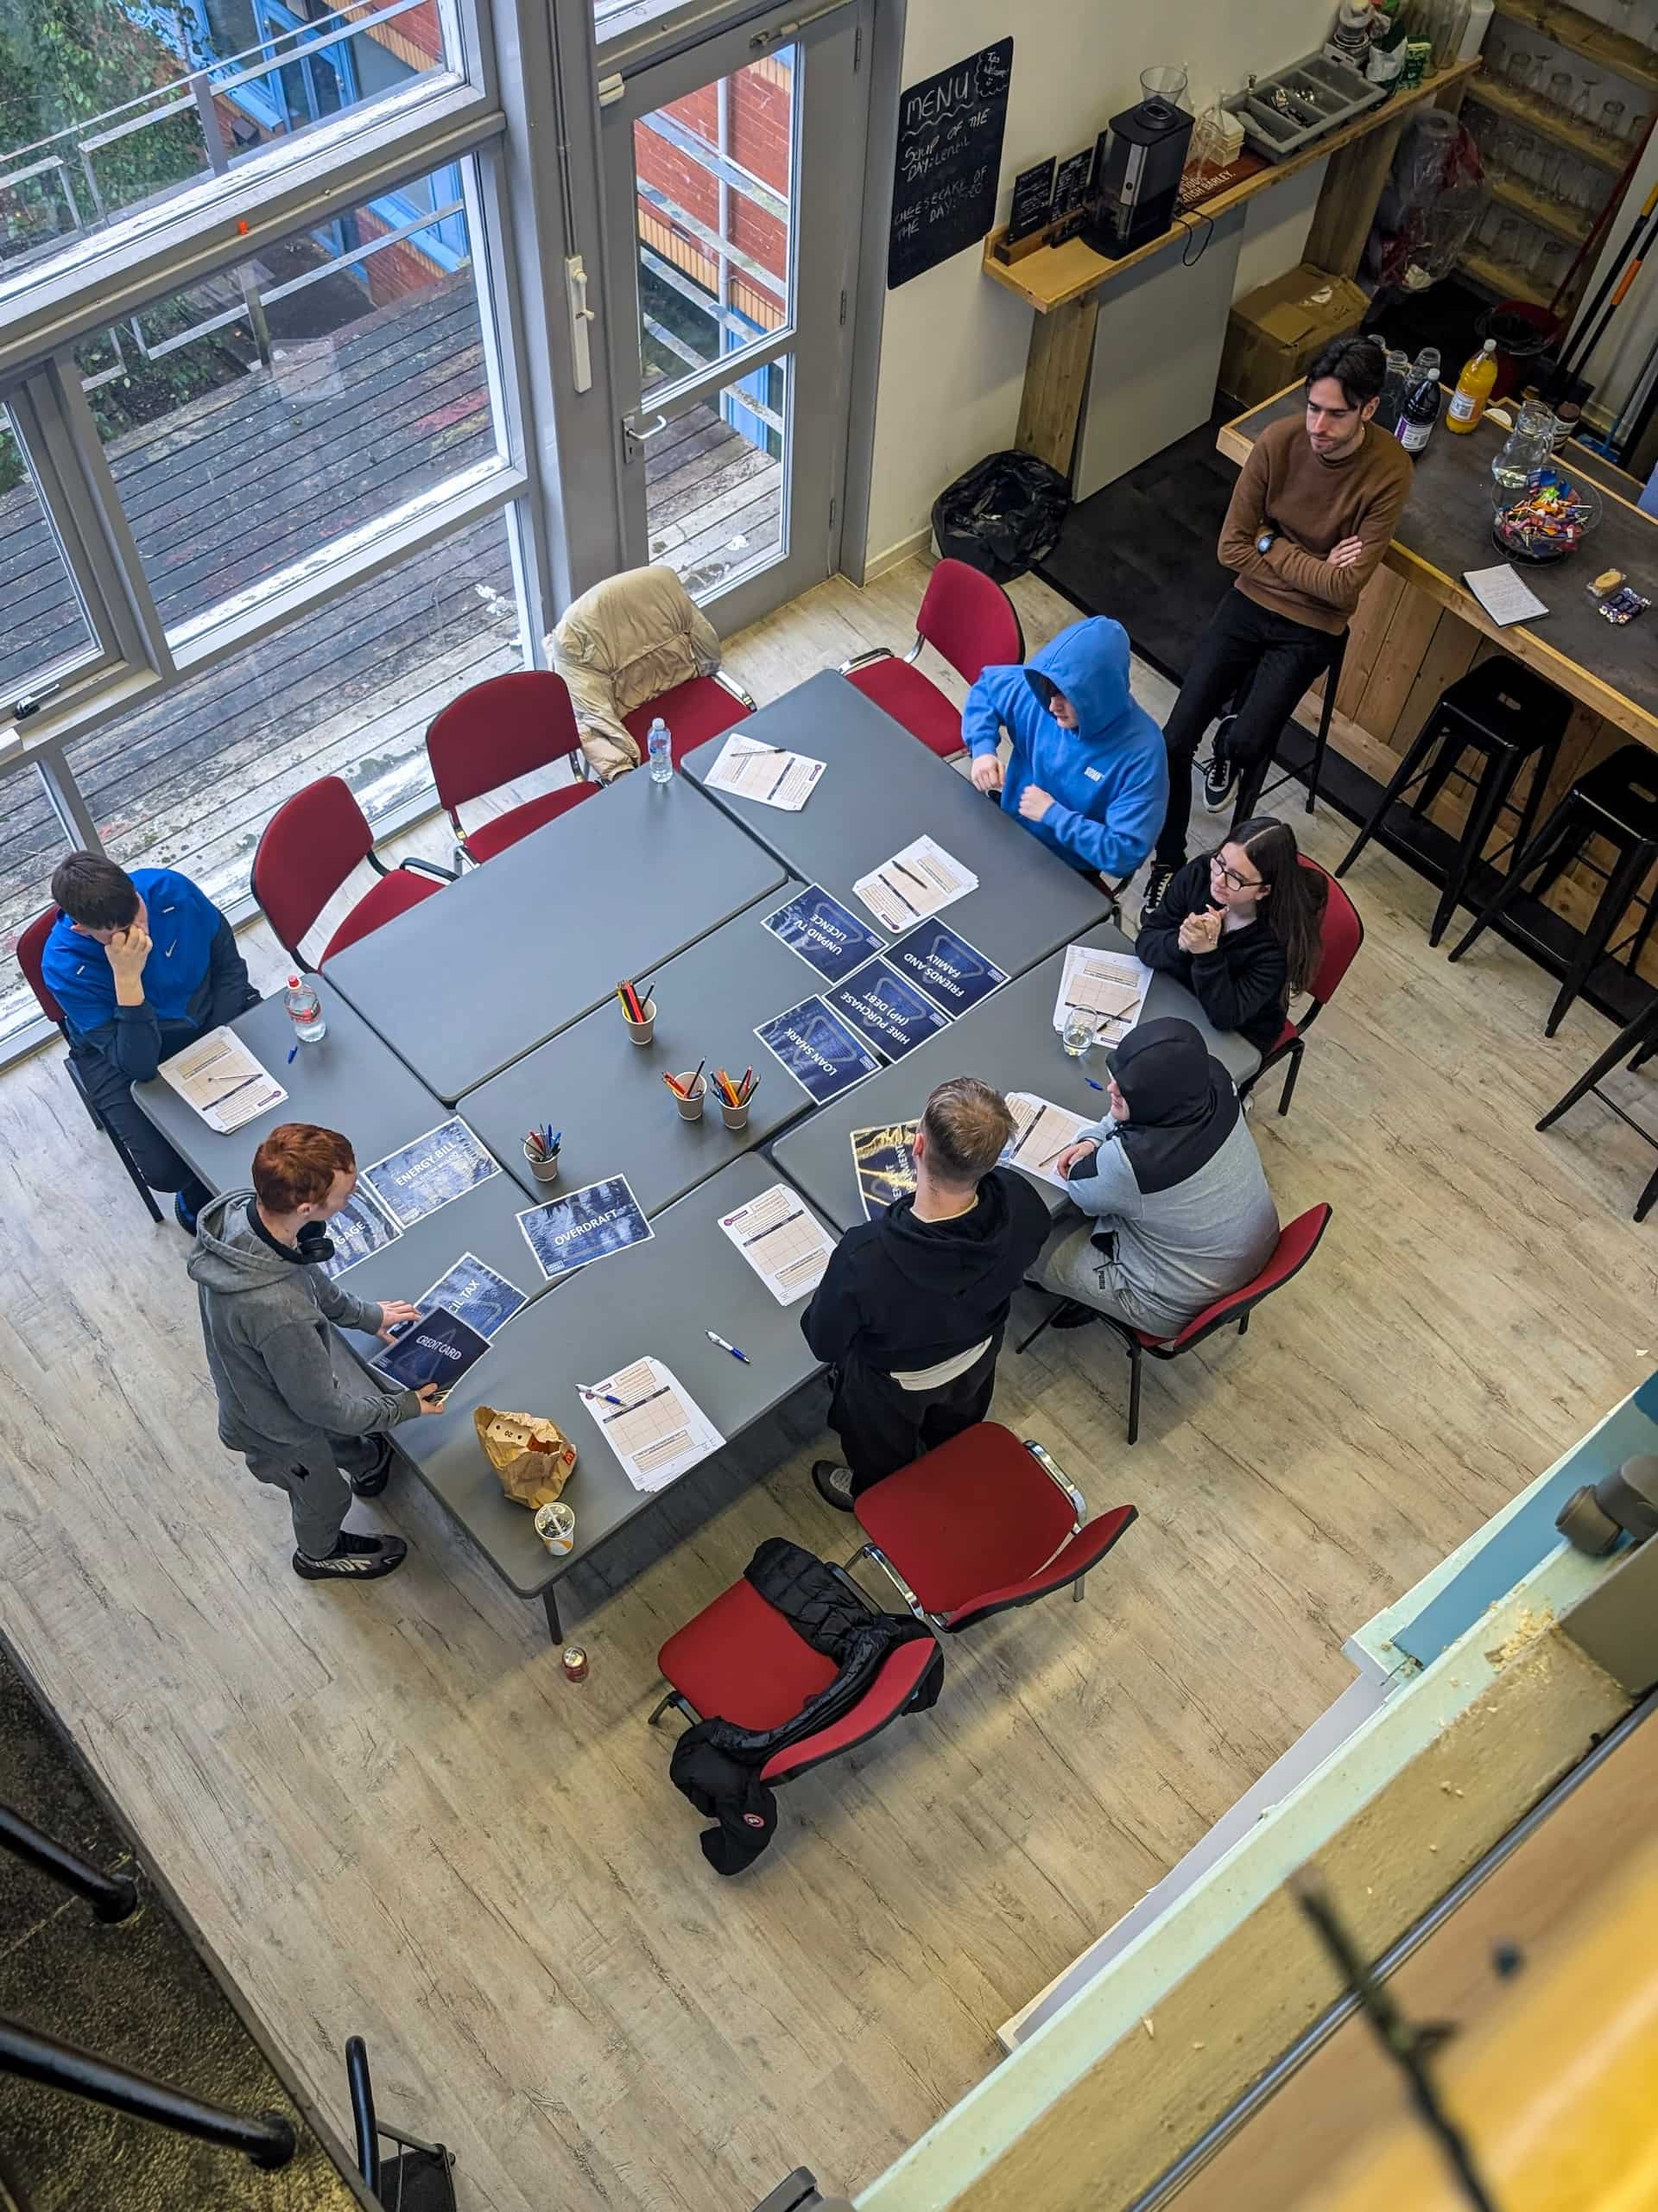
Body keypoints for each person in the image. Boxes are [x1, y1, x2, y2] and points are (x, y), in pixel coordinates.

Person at [1142, 335, 1412, 919]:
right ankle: (1168, 862)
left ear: (1368, 409)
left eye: (1335, 414)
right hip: (1249, 601)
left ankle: (1229, 752)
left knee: (1247, 744)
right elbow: (1232, 548)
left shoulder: (1390, 470)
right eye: (1313, 407)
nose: (1318, 426)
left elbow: (1344, 589)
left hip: (1313, 624)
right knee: (1172, 740)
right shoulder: (1278, 442)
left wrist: (1272, 542)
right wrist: (1308, 562)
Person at [187, 1123, 445, 1583]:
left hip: (283, 1395)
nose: (353, 1196)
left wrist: (366, 1315)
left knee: (339, 1440)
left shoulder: (248, 1220)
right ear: (308, 1209)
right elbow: (324, 1408)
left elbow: (301, 1274)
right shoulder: (279, 1313)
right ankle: (319, 1554)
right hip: (276, 1431)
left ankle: (367, 1465)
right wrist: (404, 1406)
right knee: (325, 1497)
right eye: (346, 1194)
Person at [801, 1076, 1050, 1508]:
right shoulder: (1022, 1202)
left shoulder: (866, 1257)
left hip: (892, 1385)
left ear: (917, 1146)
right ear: (992, 1160)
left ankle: (872, 1494)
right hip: (978, 1353)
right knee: (952, 1424)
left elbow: (824, 1342)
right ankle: (945, 1450)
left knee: (879, 1455)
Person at [41, 852, 260, 1232]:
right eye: (117, 933)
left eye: (138, 913)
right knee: (165, 1170)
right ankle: (195, 1196)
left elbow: (229, 967)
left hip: (206, 1012)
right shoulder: (63, 966)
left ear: (133, 888)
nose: (140, 933)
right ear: (81, 929)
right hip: (121, 1048)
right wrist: (127, 980)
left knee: (283, 1071)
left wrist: (217, 1041)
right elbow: (137, 1065)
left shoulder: (171, 889)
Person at [1034, 1019, 1279, 1341]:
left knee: (1030, 1248)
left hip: (1171, 1303)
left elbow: (1081, 1188)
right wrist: (1098, 1137)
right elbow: (1136, 1114)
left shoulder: (1133, 1164)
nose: (1110, 1089)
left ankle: (1093, 1296)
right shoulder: (1214, 1079)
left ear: (1151, 1099)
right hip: (1247, 1252)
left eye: (1126, 1090)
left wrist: (1089, 1141)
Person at [961, 615, 1168, 891]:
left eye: (1066, 697)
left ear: (1098, 695)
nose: (1052, 706)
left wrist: (1054, 815)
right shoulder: (1041, 697)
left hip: (1066, 868)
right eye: (1049, 692)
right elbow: (988, 687)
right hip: (1009, 828)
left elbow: (1126, 853)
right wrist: (983, 749)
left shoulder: (1142, 755)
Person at [1135, 817, 1328, 1054]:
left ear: (1263, 890)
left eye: (1236, 878)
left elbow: (1226, 1016)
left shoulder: (1279, 944)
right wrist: (1181, 942)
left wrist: (1206, 954)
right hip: (1178, 995)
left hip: (1238, 1032)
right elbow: (1146, 941)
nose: (1218, 880)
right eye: (1220, 862)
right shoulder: (1200, 873)